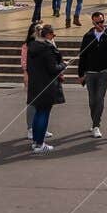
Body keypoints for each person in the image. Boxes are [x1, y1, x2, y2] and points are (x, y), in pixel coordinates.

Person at [75, 11, 107, 138]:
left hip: (104, 72)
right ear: (93, 22)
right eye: (97, 22)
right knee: (92, 100)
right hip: (90, 72)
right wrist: (80, 74)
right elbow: (82, 56)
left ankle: (96, 125)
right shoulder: (87, 36)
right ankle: (94, 120)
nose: (100, 24)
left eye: (102, 21)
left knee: (99, 98)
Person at [25, 23, 66, 152]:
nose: (54, 37)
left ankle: (36, 142)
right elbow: (53, 68)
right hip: (47, 85)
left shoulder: (32, 46)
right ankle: (40, 143)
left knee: (38, 113)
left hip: (35, 84)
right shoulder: (47, 48)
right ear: (47, 35)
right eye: (53, 34)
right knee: (44, 114)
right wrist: (63, 65)